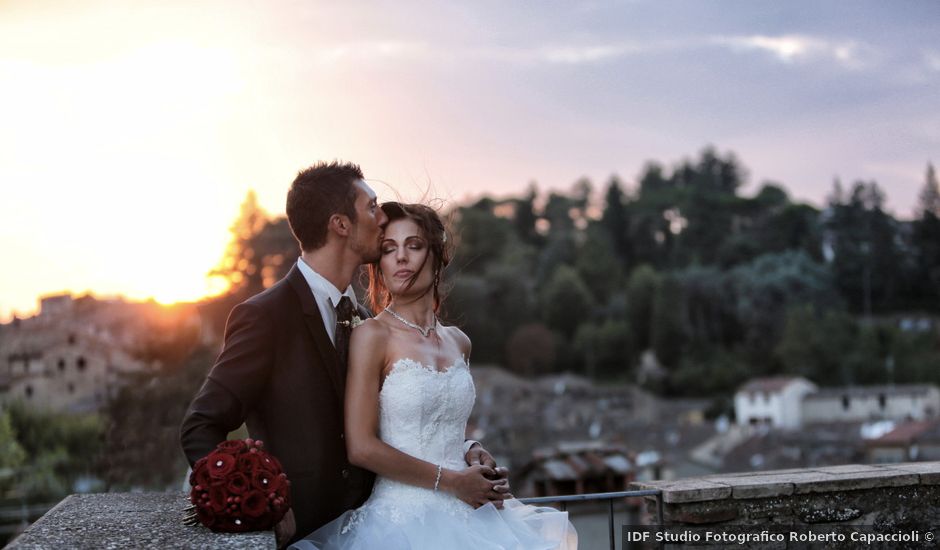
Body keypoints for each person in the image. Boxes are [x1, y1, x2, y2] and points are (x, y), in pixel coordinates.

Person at [180, 162, 507, 547]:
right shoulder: (266, 316)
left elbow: (397, 419)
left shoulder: (368, 321)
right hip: (306, 533)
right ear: (341, 225)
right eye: (371, 207)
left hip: (384, 526)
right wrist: (262, 503)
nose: (381, 216)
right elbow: (200, 426)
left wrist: (466, 449)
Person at [290, 202, 577, 549]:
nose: (400, 258)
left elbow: (442, 423)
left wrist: (472, 450)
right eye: (388, 248)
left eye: (414, 245)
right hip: (400, 524)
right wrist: (453, 481)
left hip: (473, 517)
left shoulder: (460, 342)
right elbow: (362, 447)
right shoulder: (372, 336)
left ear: (438, 254)